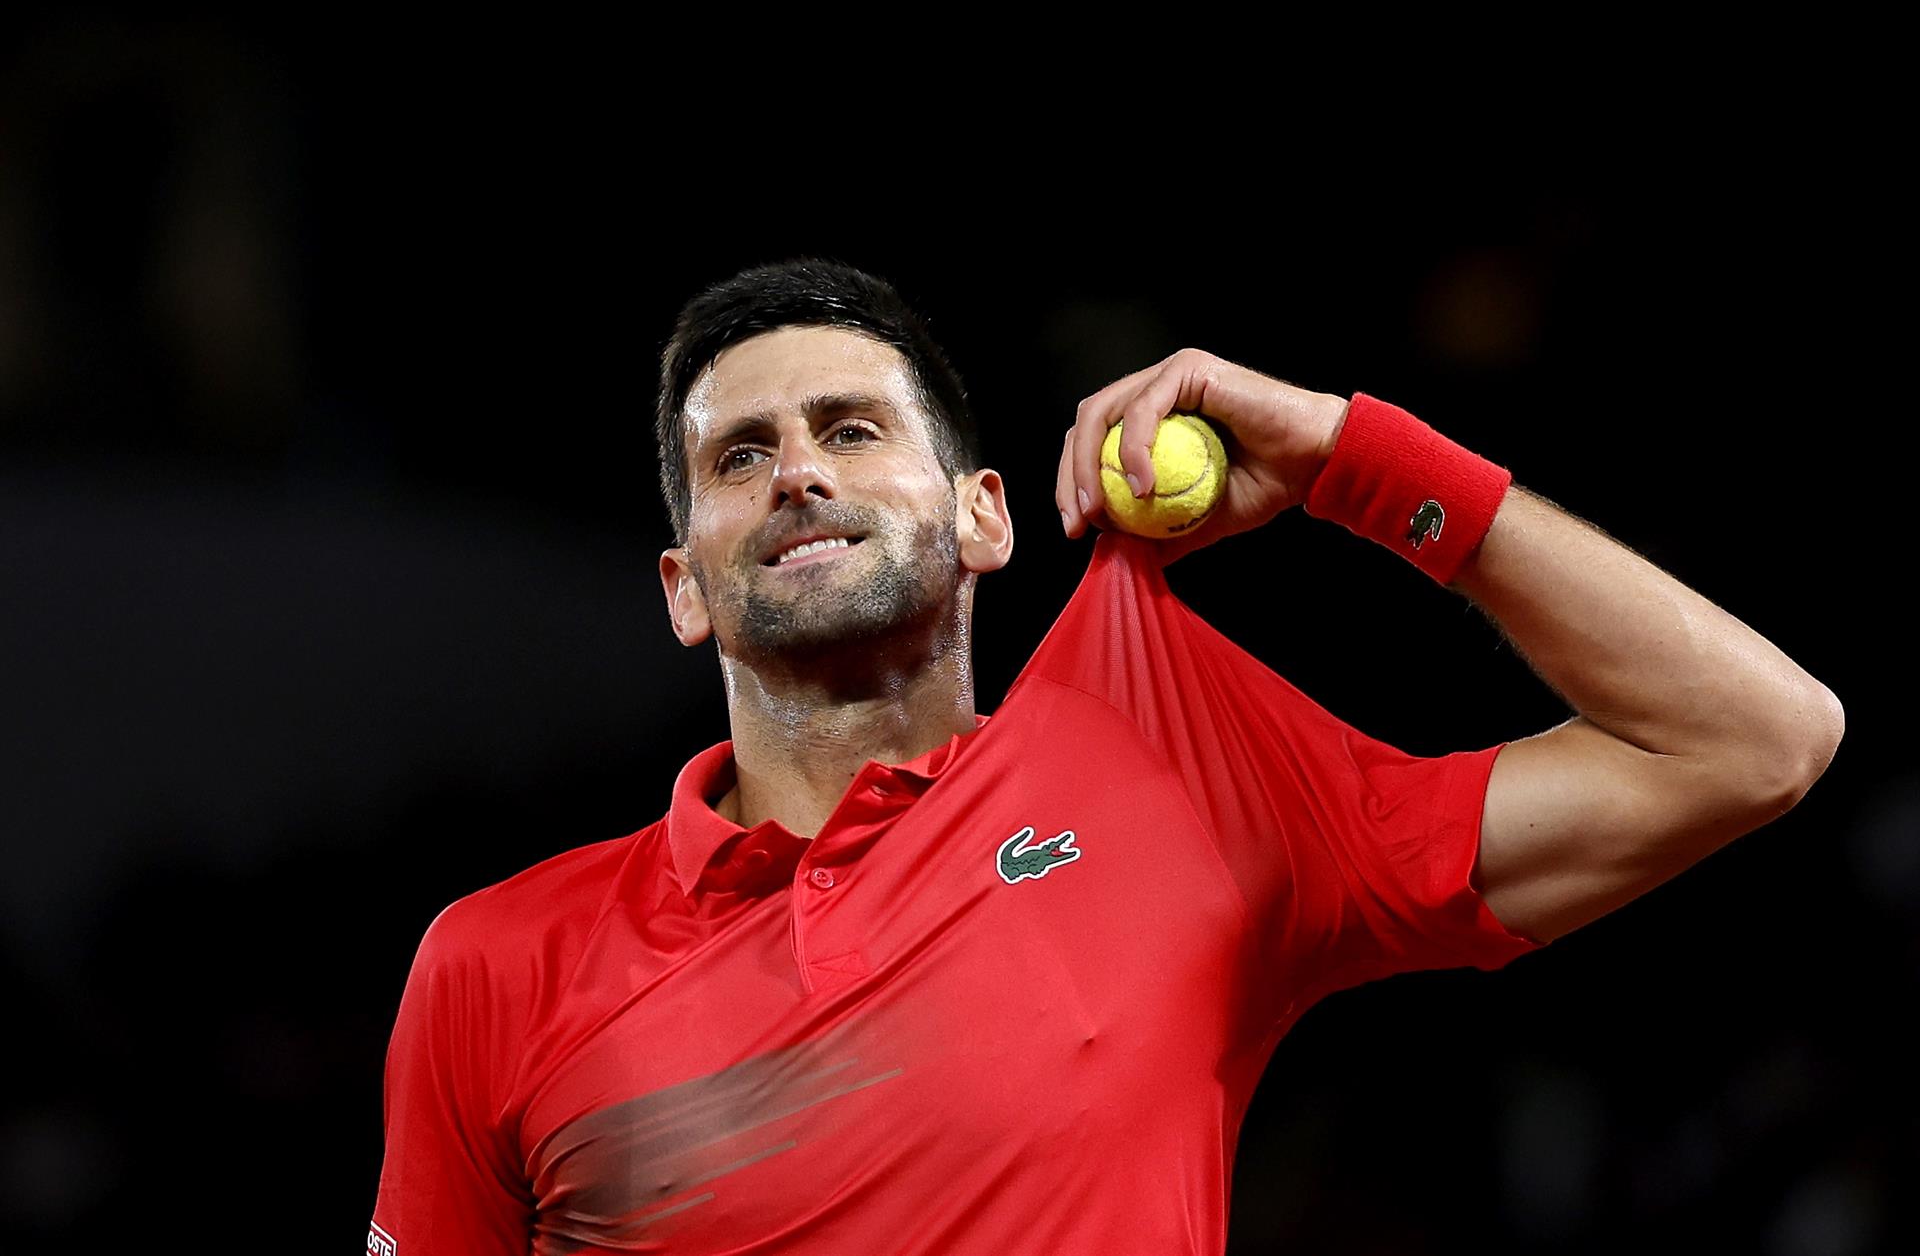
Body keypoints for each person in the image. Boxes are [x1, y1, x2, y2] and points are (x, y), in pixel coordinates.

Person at [367, 258, 1844, 1255]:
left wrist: (1351, 460)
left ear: (985, 518)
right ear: (687, 587)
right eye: (738, 456)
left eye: (851, 427)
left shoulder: (1165, 782)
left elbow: (1755, 739)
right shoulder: (498, 963)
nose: (799, 468)